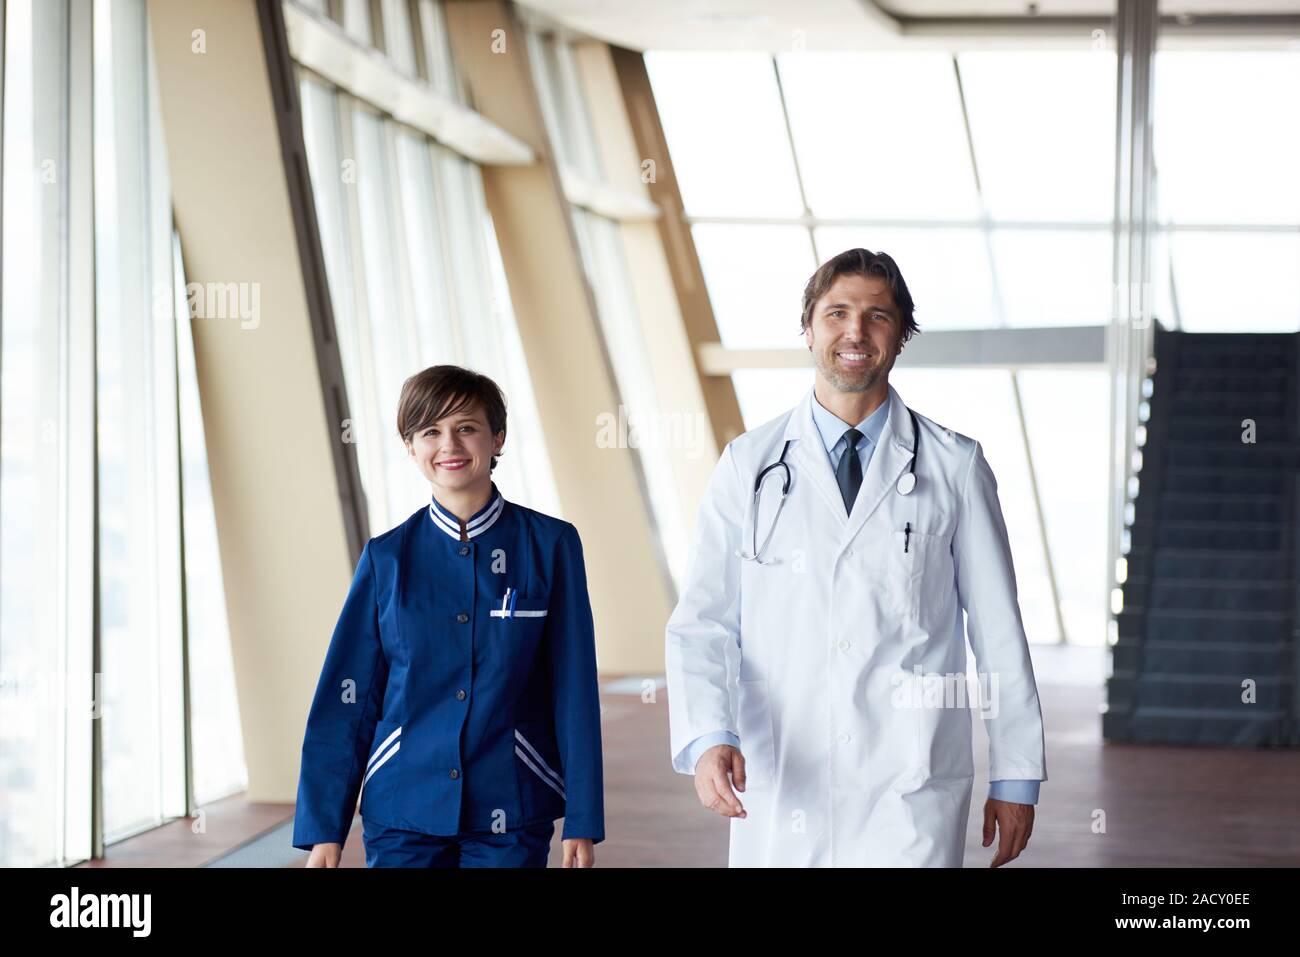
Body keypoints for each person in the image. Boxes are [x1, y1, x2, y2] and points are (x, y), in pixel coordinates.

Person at [665, 248, 1047, 867]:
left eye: (877, 316)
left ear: (901, 335)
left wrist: (1016, 775)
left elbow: (998, 632)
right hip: (786, 773)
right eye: (837, 312)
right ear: (808, 328)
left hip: (910, 781)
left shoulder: (955, 465)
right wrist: (710, 735)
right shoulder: (748, 465)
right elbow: (703, 620)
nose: (855, 332)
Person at [292, 365, 604, 867]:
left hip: (512, 805)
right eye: (430, 432)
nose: (449, 445)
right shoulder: (386, 558)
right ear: (411, 447)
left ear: (497, 437)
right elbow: (345, 700)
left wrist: (584, 818)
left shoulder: (551, 546)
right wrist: (325, 827)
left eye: (466, 427)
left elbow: (574, 689)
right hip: (401, 808)